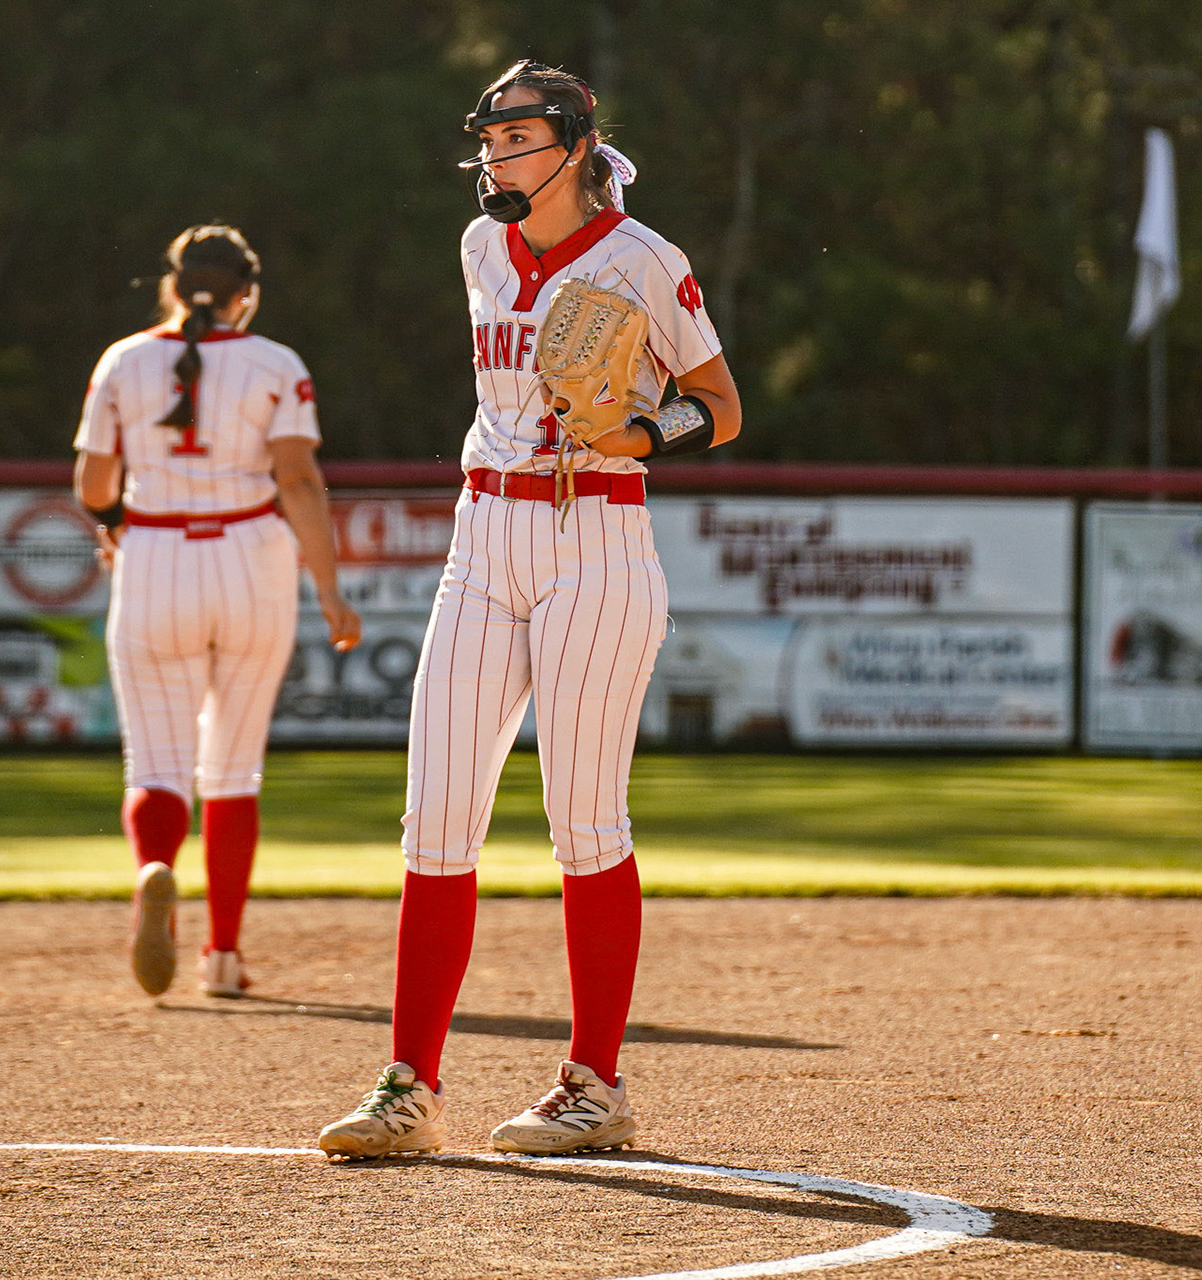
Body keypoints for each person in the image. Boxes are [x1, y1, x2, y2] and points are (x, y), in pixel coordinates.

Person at [317, 61, 742, 1158]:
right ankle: (409, 1089)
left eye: (517, 138)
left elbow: (720, 405)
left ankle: (596, 1086)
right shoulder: (478, 247)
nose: (496, 157)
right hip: (483, 534)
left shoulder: (644, 257)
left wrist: (640, 432)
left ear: (575, 144)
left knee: (584, 820)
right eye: (490, 139)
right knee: (435, 815)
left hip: (596, 535)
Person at [73, 224, 362, 998]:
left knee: (155, 764)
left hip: (154, 556)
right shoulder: (275, 362)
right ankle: (224, 955)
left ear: (171, 287)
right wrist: (330, 589)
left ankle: (154, 869)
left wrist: (113, 526)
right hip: (249, 557)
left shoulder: (124, 360)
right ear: (248, 293)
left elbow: (95, 486)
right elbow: (297, 480)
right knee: (233, 769)